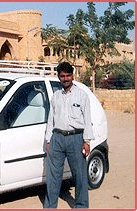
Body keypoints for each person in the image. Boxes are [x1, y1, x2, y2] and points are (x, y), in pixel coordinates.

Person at [44, 62, 94, 209]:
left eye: (68, 76)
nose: (65, 79)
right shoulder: (56, 96)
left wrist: (87, 141)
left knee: (80, 176)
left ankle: (81, 206)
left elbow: (88, 119)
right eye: (62, 76)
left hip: (76, 139)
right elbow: (50, 119)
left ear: (72, 76)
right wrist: (48, 141)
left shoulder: (82, 95)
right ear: (59, 77)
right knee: (53, 177)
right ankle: (50, 206)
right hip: (57, 139)